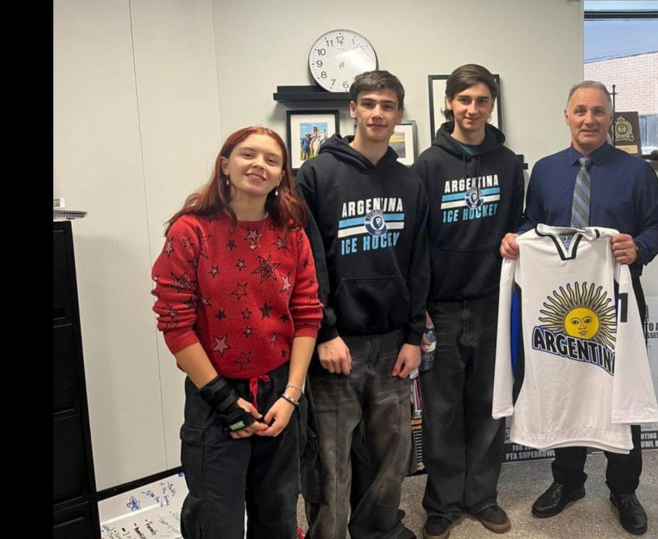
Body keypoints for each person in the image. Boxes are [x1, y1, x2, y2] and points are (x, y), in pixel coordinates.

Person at [500, 80, 658, 536]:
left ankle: (624, 488)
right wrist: (517, 237)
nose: (589, 119)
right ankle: (568, 481)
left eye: (598, 111)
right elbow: (532, 222)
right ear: (567, 116)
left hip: (618, 302)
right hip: (559, 304)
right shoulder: (547, 170)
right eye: (580, 111)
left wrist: (641, 248)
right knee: (566, 384)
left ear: (610, 118)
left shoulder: (637, 172)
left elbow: (657, 227)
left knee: (621, 391)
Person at [151, 126, 322, 538]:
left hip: (279, 391)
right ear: (225, 165)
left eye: (271, 160)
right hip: (215, 394)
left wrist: (291, 396)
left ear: (282, 176)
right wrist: (225, 403)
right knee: (216, 519)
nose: (258, 165)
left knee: (278, 515)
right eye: (248, 155)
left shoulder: (291, 232)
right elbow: (175, 323)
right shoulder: (190, 232)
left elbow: (307, 314)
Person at [296, 70, 429, 539]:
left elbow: (418, 264)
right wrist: (326, 331)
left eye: (388, 105)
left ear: (398, 114)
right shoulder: (315, 174)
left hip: (393, 342)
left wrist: (415, 336)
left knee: (391, 452)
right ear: (352, 108)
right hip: (337, 345)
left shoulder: (410, 182)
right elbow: (308, 261)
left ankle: (377, 529)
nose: (378, 112)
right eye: (369, 103)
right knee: (330, 459)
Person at [412, 64, 524, 539]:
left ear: (491, 105)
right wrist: (418, 309)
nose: (472, 109)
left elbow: (519, 222)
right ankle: (442, 502)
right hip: (441, 309)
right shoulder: (426, 165)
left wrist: (516, 237)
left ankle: (481, 496)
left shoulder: (509, 162)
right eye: (464, 100)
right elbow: (416, 241)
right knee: (441, 411)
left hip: (492, 303)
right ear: (449, 104)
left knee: (488, 405)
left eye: (481, 100)